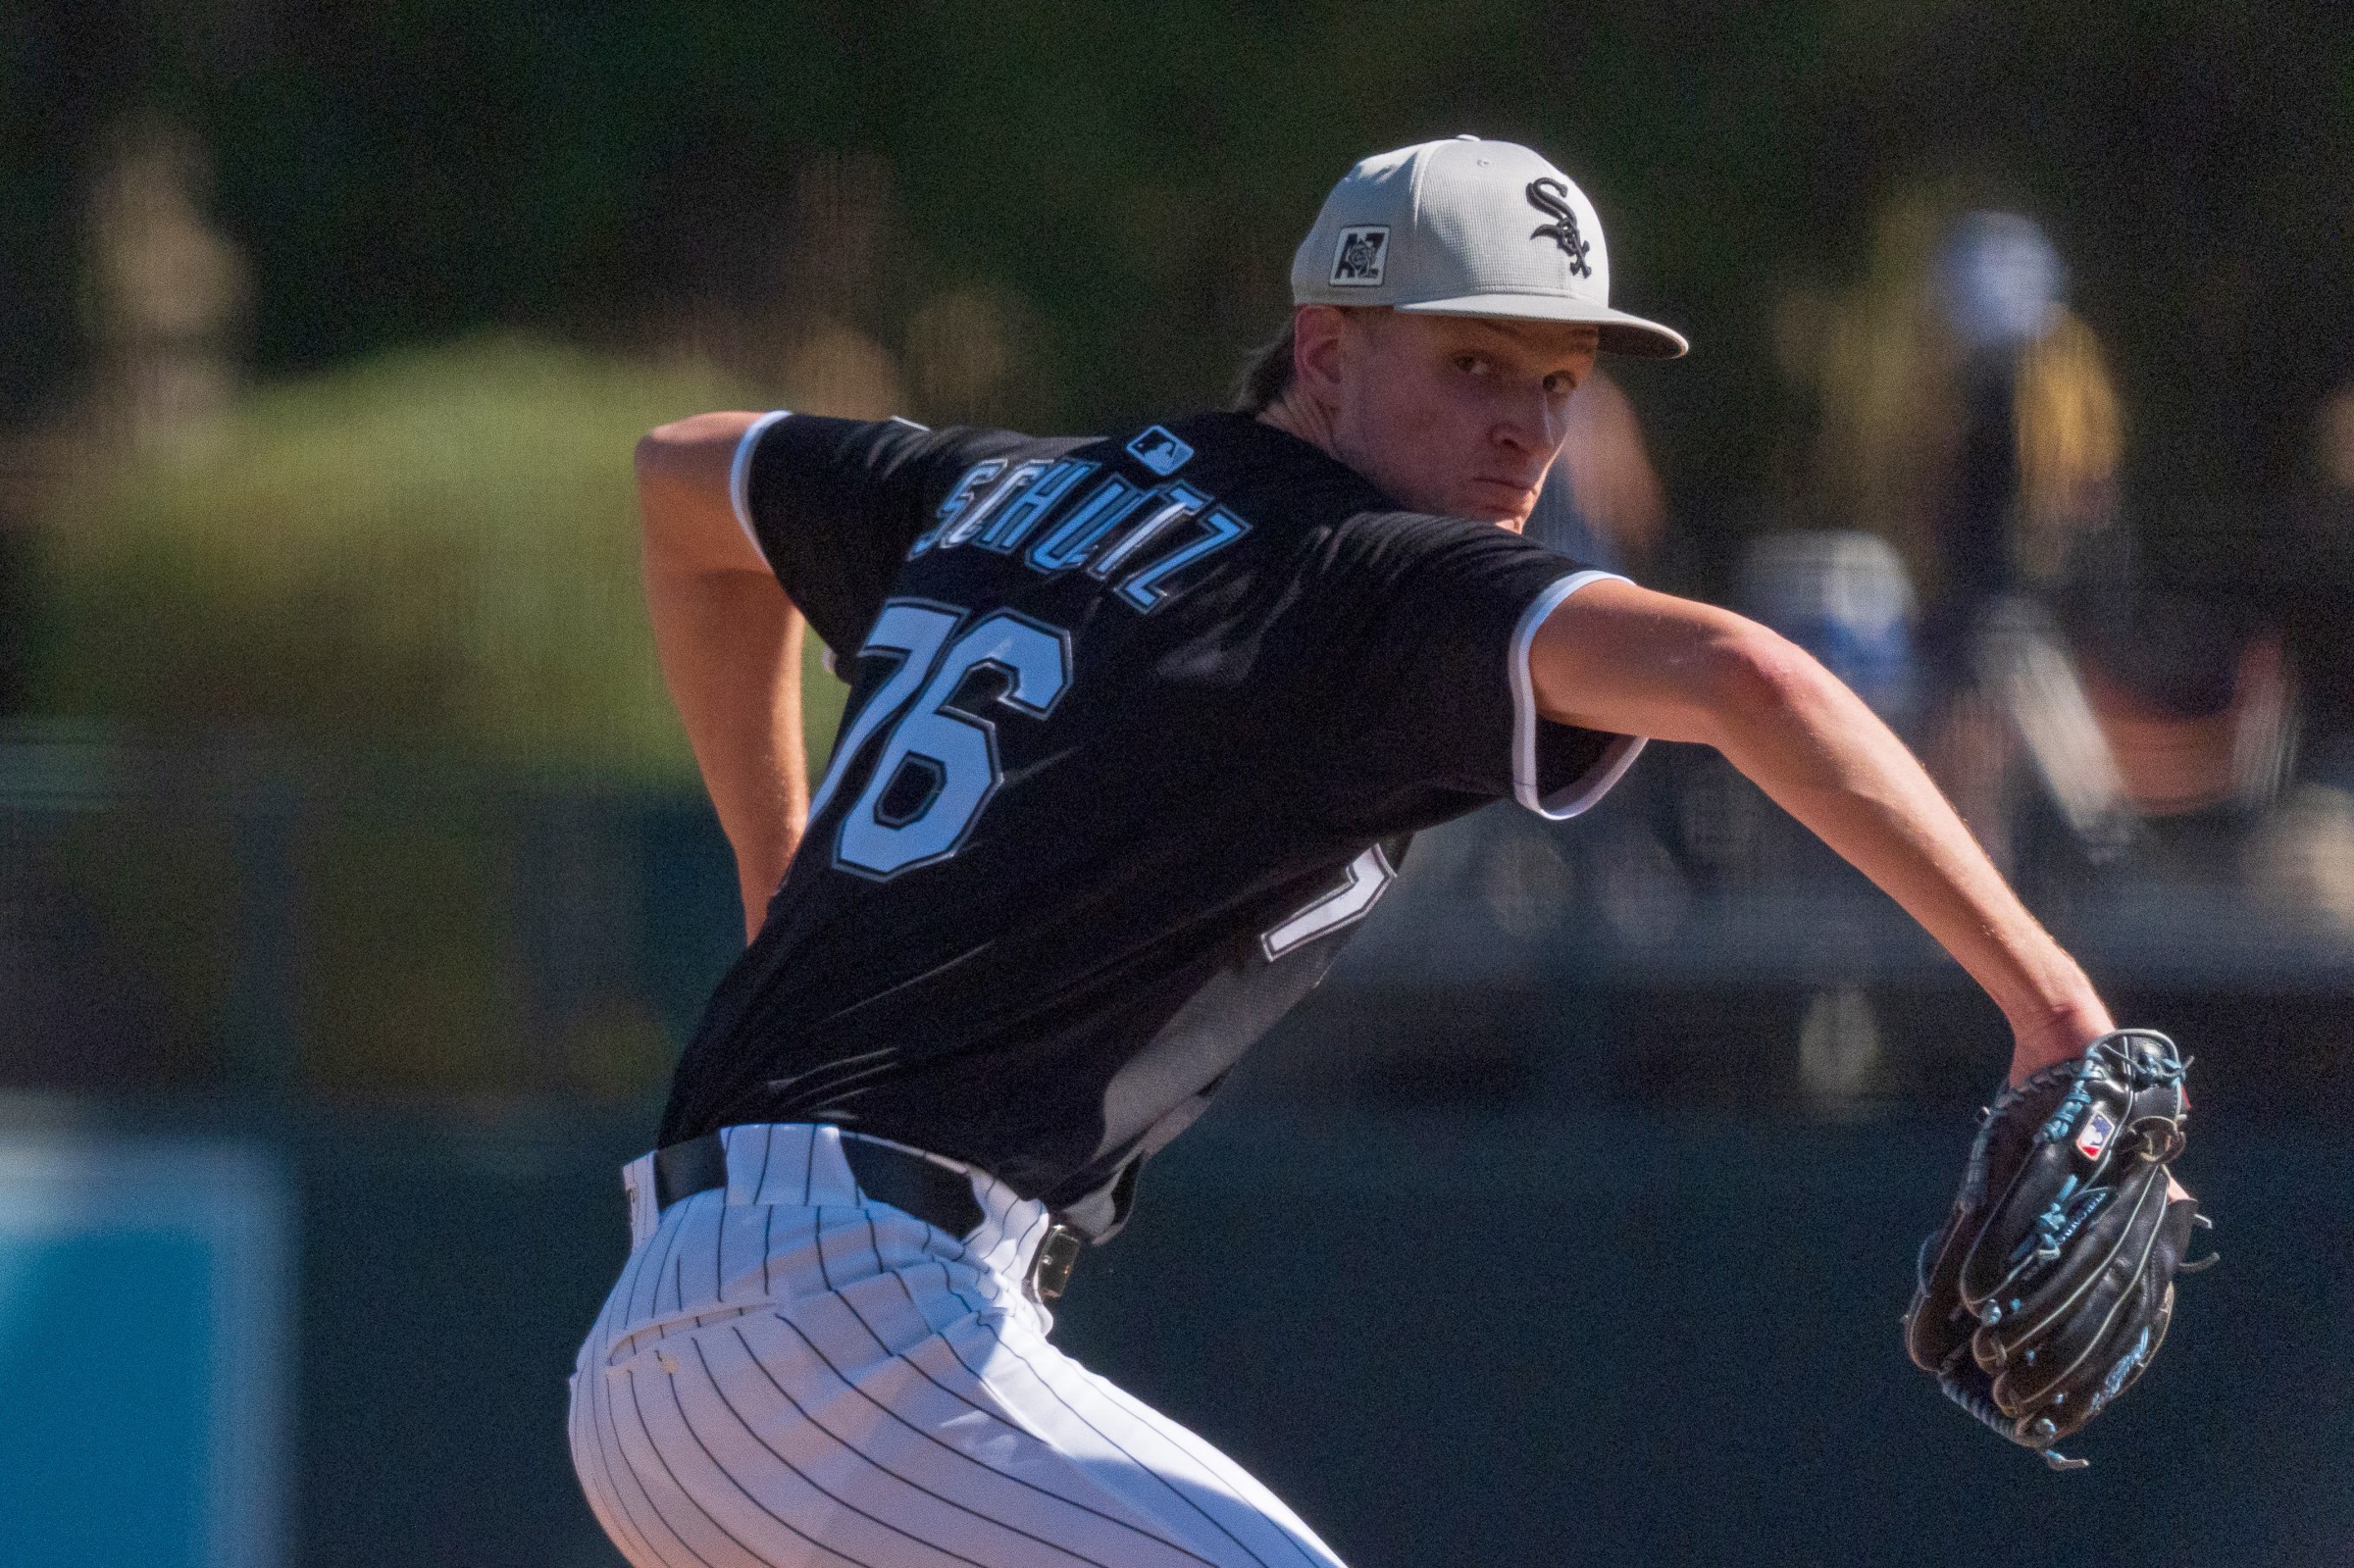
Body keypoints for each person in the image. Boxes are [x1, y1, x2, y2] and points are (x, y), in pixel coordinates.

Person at [572, 136, 2128, 1568]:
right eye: (1473, 364)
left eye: (1560, 379)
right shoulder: (1359, 578)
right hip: (848, 1337)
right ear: (1326, 352)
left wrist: (775, 874)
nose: (1526, 424)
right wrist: (2054, 1004)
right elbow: (1751, 679)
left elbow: (679, 481)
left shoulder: (1005, 487)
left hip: (687, 1340)